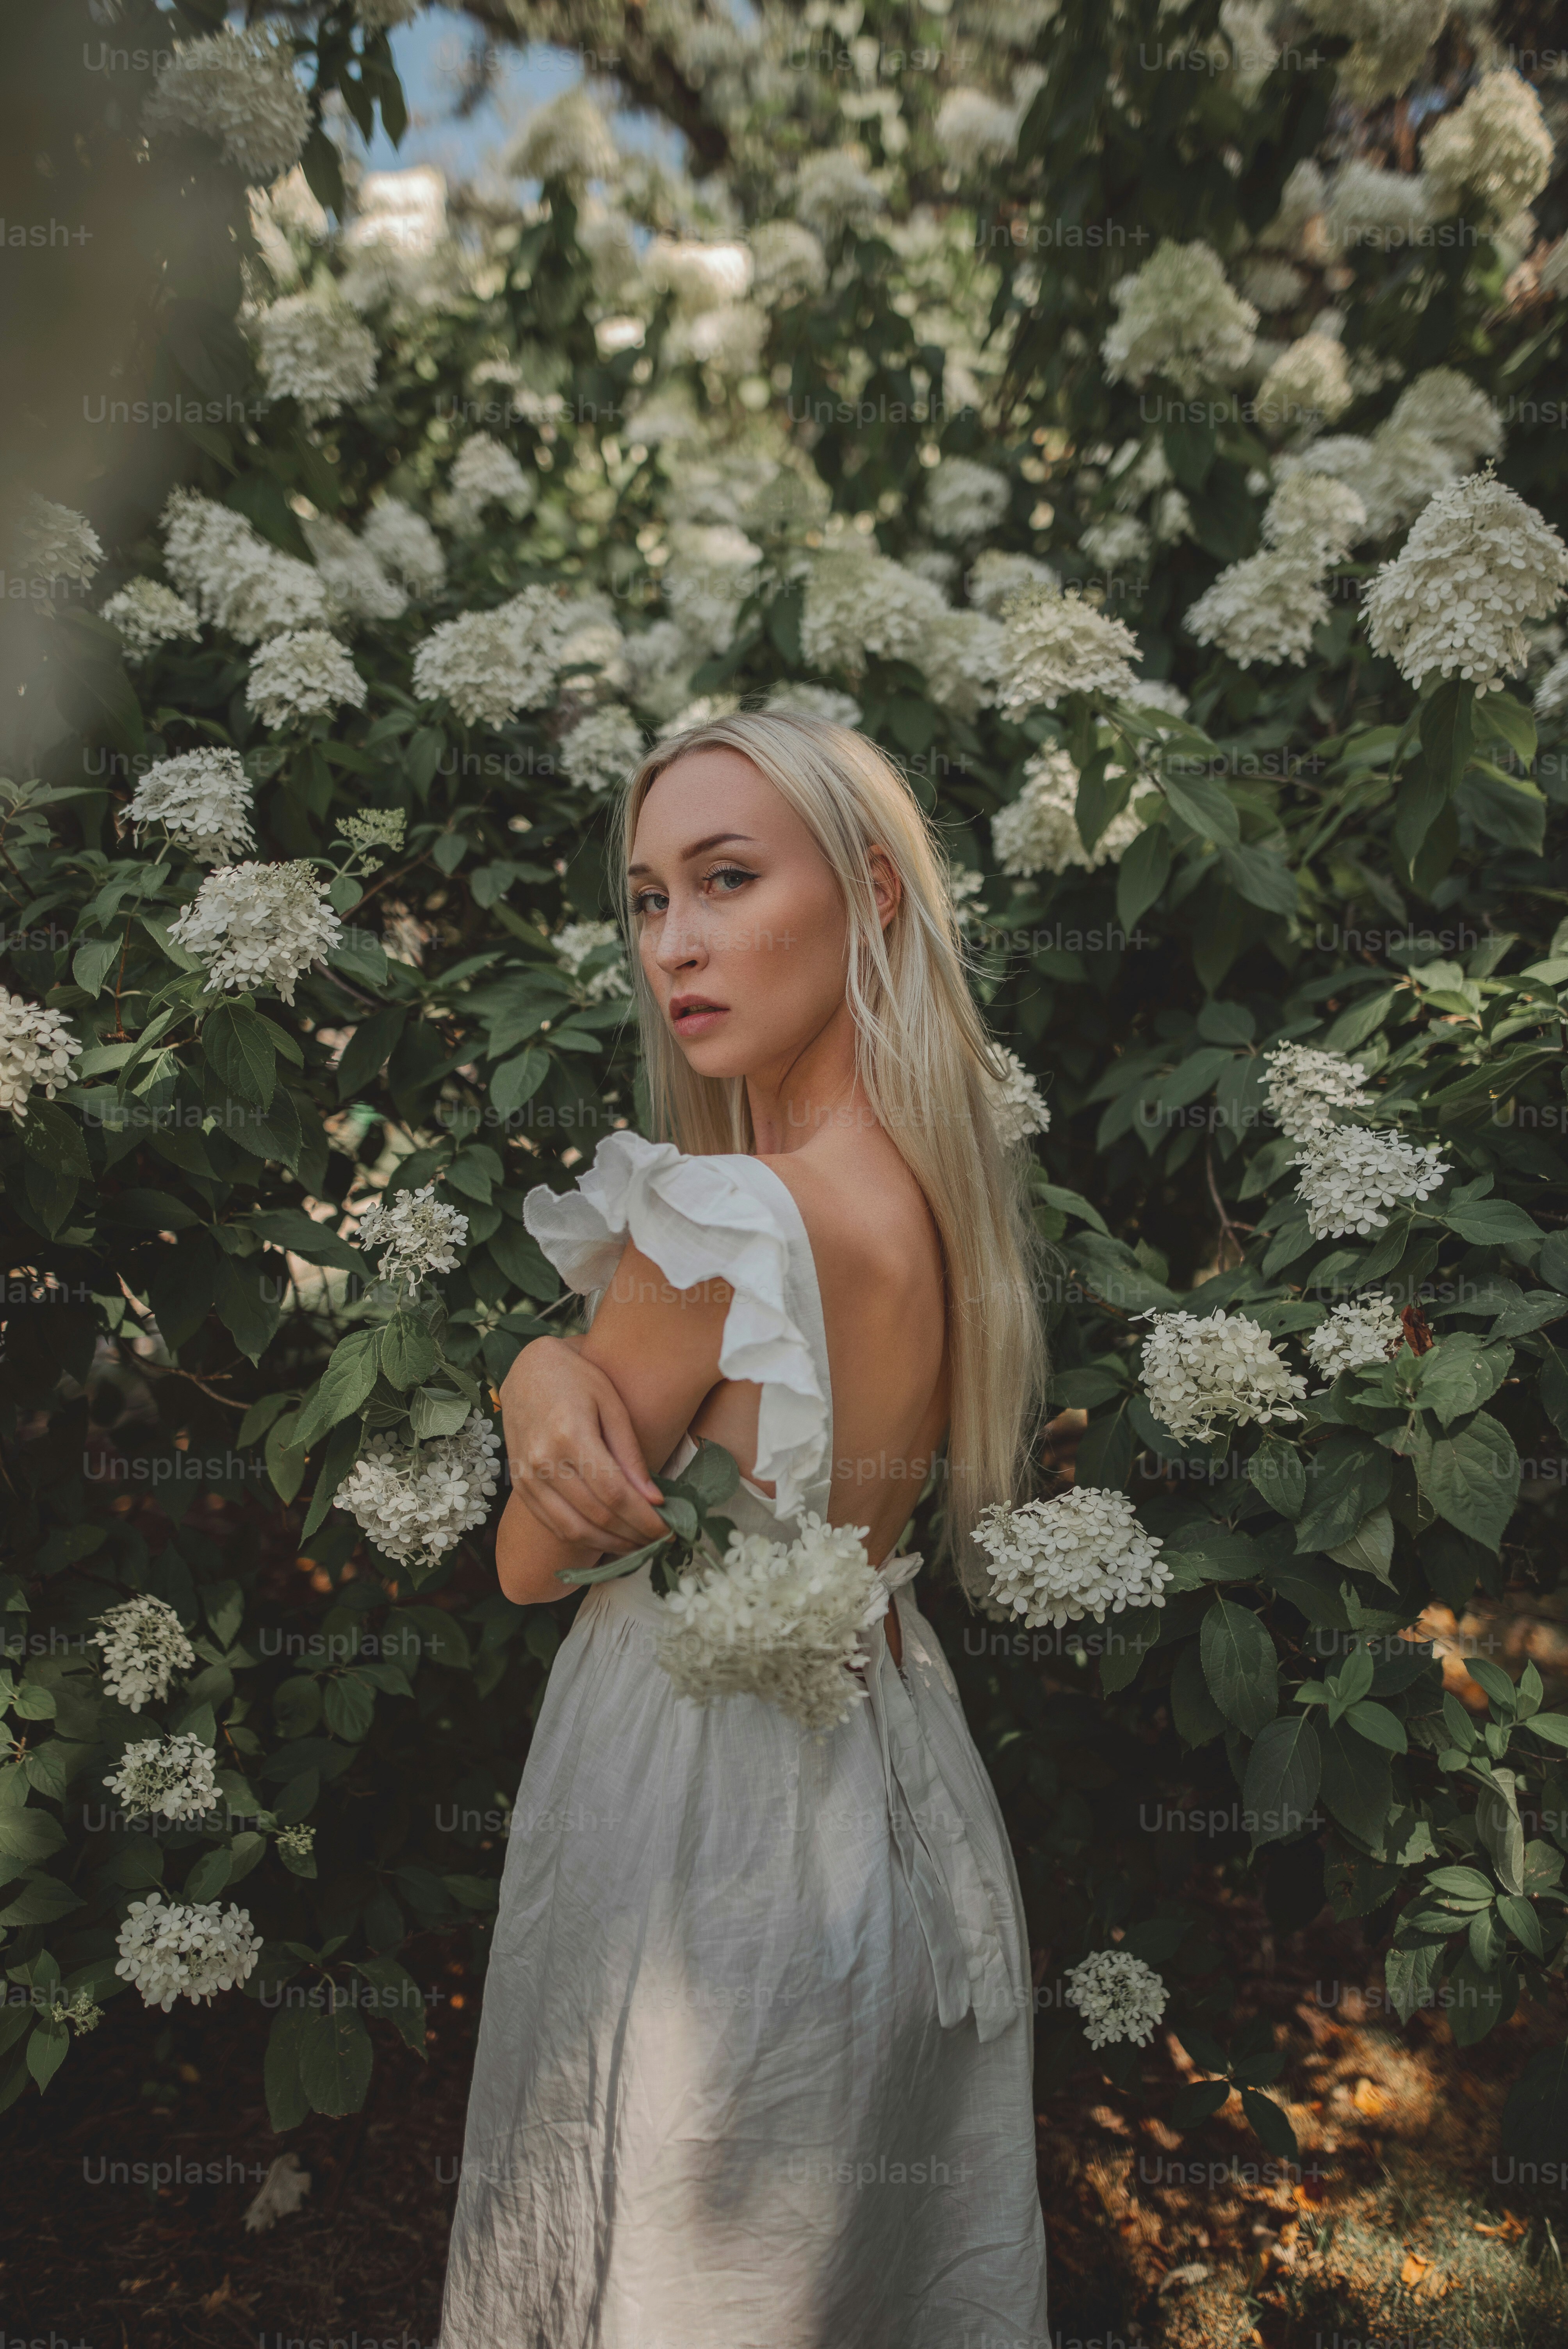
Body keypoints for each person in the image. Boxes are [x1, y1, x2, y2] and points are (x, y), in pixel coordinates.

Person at [438, 710, 1051, 2349]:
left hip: (702, 1814)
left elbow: (524, 1563)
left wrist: (531, 1372)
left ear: (868, 895)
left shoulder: (729, 1218)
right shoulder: (912, 1192)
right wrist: (548, 1366)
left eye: (724, 878)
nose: (675, 944)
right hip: (875, 1781)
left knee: (652, 2249)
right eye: (647, 899)